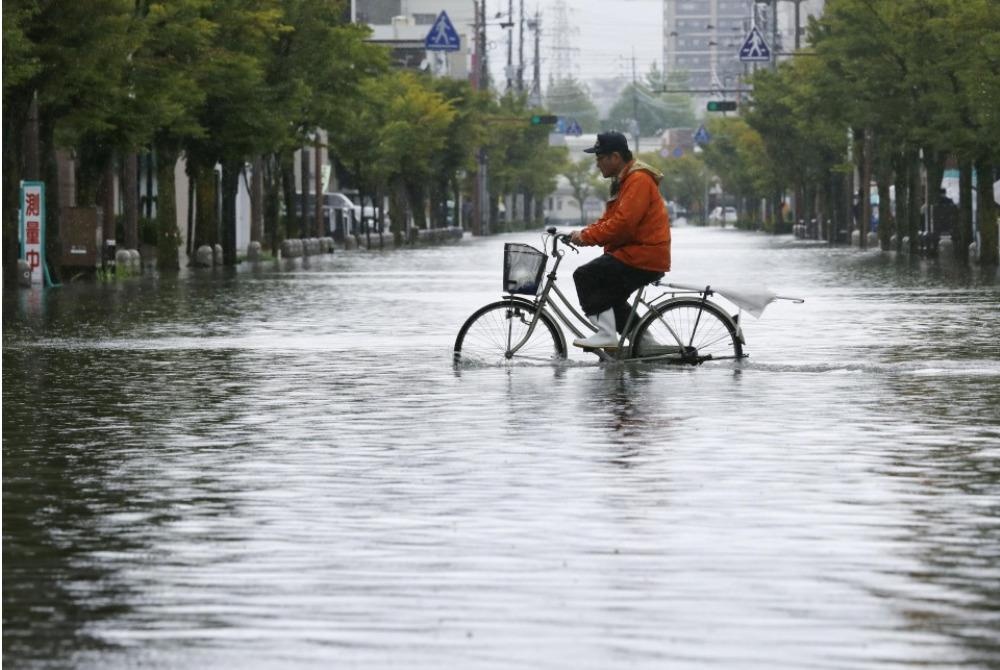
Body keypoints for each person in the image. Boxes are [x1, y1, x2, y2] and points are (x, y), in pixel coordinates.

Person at [569, 131, 671, 349]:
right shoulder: (623, 181)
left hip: (643, 255)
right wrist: (582, 233)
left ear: (615, 157)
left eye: (599, 158)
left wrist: (586, 237)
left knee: (585, 276)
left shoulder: (638, 181)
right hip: (636, 253)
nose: (597, 165)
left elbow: (622, 225)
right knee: (610, 298)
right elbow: (609, 220)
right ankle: (645, 344)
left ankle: (606, 334)